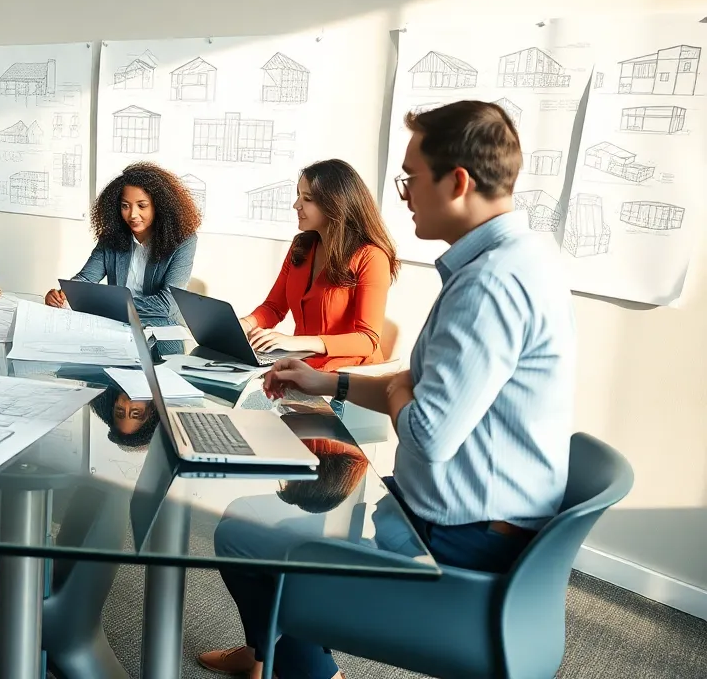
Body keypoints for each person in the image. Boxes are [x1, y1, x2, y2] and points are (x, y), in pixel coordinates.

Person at [199, 100, 575, 679]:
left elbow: (426, 431)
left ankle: (305, 669)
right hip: (459, 506)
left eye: (410, 179)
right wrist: (327, 381)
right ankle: (285, 658)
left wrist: (401, 390)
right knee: (272, 523)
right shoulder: (512, 260)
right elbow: (412, 386)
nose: (403, 195)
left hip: (462, 537)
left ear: (458, 181)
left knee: (248, 537)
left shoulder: (491, 286)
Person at [241, 159, 398, 371]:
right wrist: (246, 324)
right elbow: (274, 307)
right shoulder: (301, 246)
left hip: (347, 377)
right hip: (302, 367)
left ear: (335, 204)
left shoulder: (371, 257)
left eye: (307, 199)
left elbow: (367, 339)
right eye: (298, 196)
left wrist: (293, 342)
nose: (296, 205)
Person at [45, 162, 201, 340]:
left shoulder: (183, 241)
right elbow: (86, 279)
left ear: (159, 206)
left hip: (162, 333)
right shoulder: (112, 237)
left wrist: (109, 305)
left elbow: (168, 304)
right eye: (125, 206)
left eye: (142, 206)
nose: (133, 214)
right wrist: (63, 294)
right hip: (116, 328)